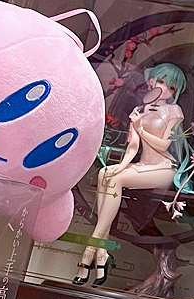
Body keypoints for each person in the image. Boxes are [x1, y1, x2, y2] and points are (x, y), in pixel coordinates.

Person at [77, 63, 187, 286]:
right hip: (142, 164)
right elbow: (133, 146)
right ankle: (101, 253)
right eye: (162, 82)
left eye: (172, 88)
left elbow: (164, 145)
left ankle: (91, 249)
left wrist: (141, 128)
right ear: (151, 81)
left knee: (115, 179)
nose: (165, 89)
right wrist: (122, 165)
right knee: (106, 174)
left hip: (164, 168)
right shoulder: (139, 110)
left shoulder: (174, 111)